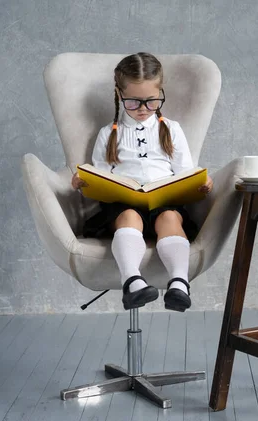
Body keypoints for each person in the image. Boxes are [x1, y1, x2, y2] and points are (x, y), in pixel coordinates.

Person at [71, 52, 213, 313]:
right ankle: (132, 282)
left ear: (161, 93)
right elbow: (101, 176)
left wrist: (201, 183)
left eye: (152, 101)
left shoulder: (171, 129)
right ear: (119, 94)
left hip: (164, 202)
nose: (143, 109)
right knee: (128, 217)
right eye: (134, 102)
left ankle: (179, 284)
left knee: (170, 218)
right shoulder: (108, 134)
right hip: (124, 205)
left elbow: (185, 171)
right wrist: (84, 181)